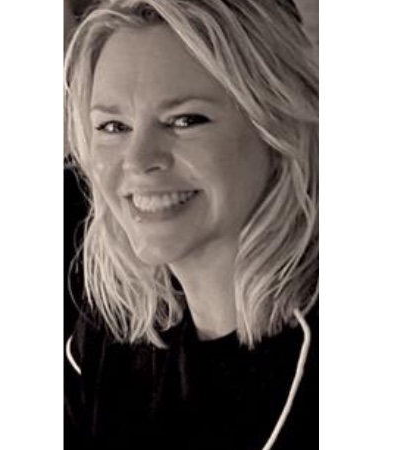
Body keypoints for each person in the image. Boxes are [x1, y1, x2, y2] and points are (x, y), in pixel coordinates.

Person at [64, 0, 318, 449]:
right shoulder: (106, 338)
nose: (138, 160)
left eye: (185, 120)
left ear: (278, 130)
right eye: (113, 126)